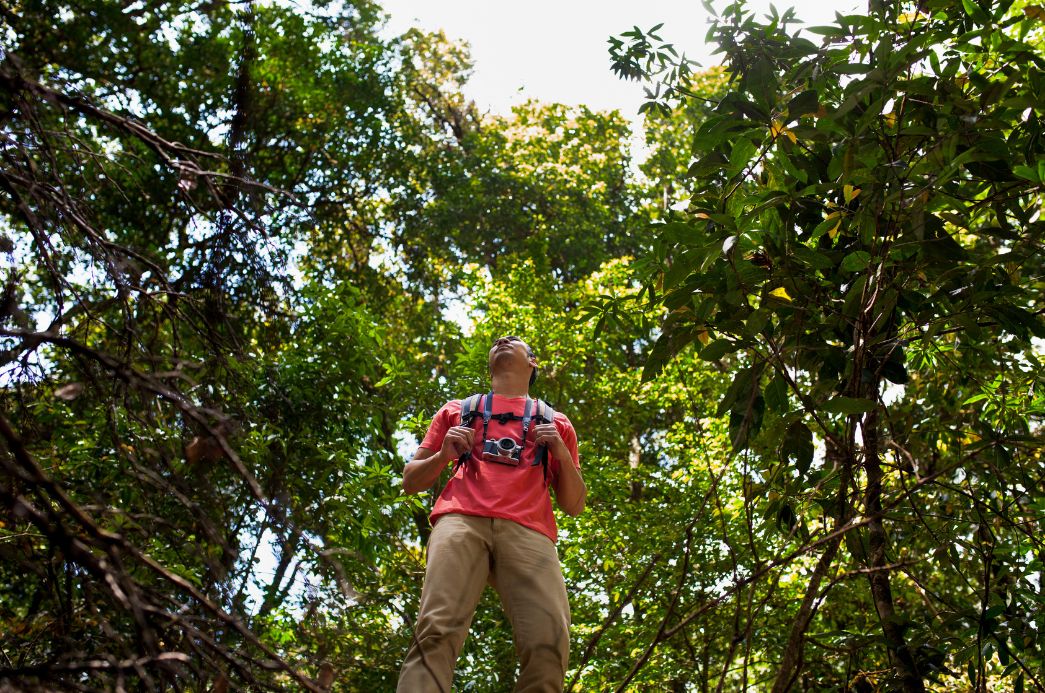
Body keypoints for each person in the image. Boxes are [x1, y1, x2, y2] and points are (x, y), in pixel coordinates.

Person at [397, 335, 586, 693]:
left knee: (550, 642)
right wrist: (443, 456)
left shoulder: (555, 422)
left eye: (513, 341)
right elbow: (410, 481)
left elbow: (574, 505)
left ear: (533, 363)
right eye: (498, 342)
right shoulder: (458, 410)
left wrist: (561, 453)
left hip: (530, 530)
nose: (501, 341)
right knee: (437, 629)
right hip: (460, 519)